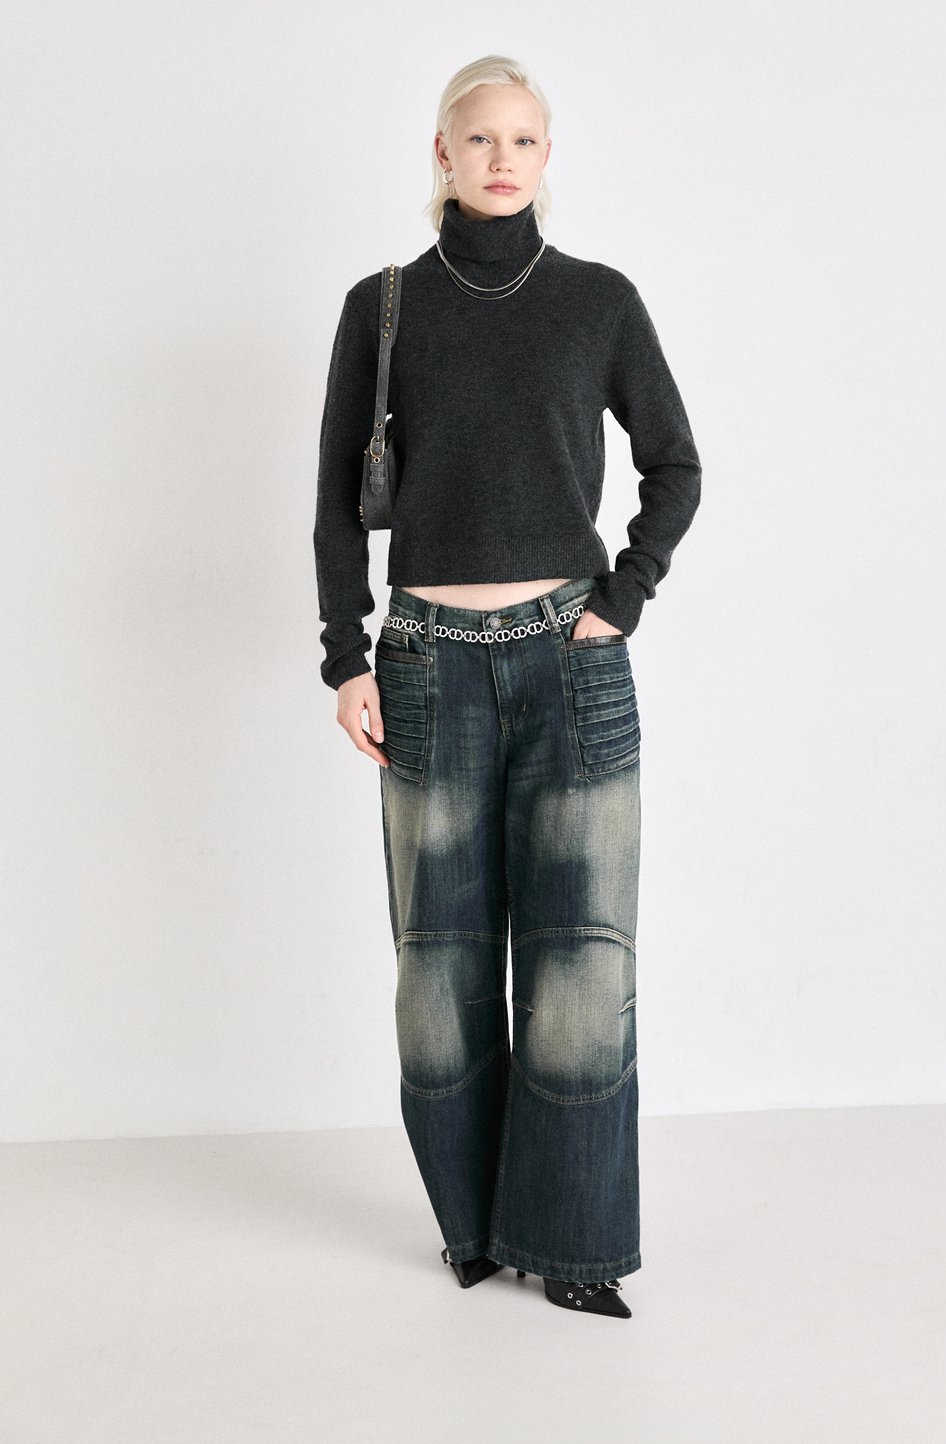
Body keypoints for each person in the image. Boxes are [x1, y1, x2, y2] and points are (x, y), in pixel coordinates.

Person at [313, 54, 702, 1320]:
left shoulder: (597, 300)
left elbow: (677, 465)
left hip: (569, 659)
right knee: (438, 970)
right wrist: (345, 655)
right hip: (424, 662)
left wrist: (622, 597)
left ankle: (574, 1243)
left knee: (582, 966)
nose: (500, 159)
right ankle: (473, 1227)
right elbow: (335, 504)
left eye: (523, 140)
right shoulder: (381, 309)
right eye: (478, 138)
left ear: (546, 156)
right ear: (442, 152)